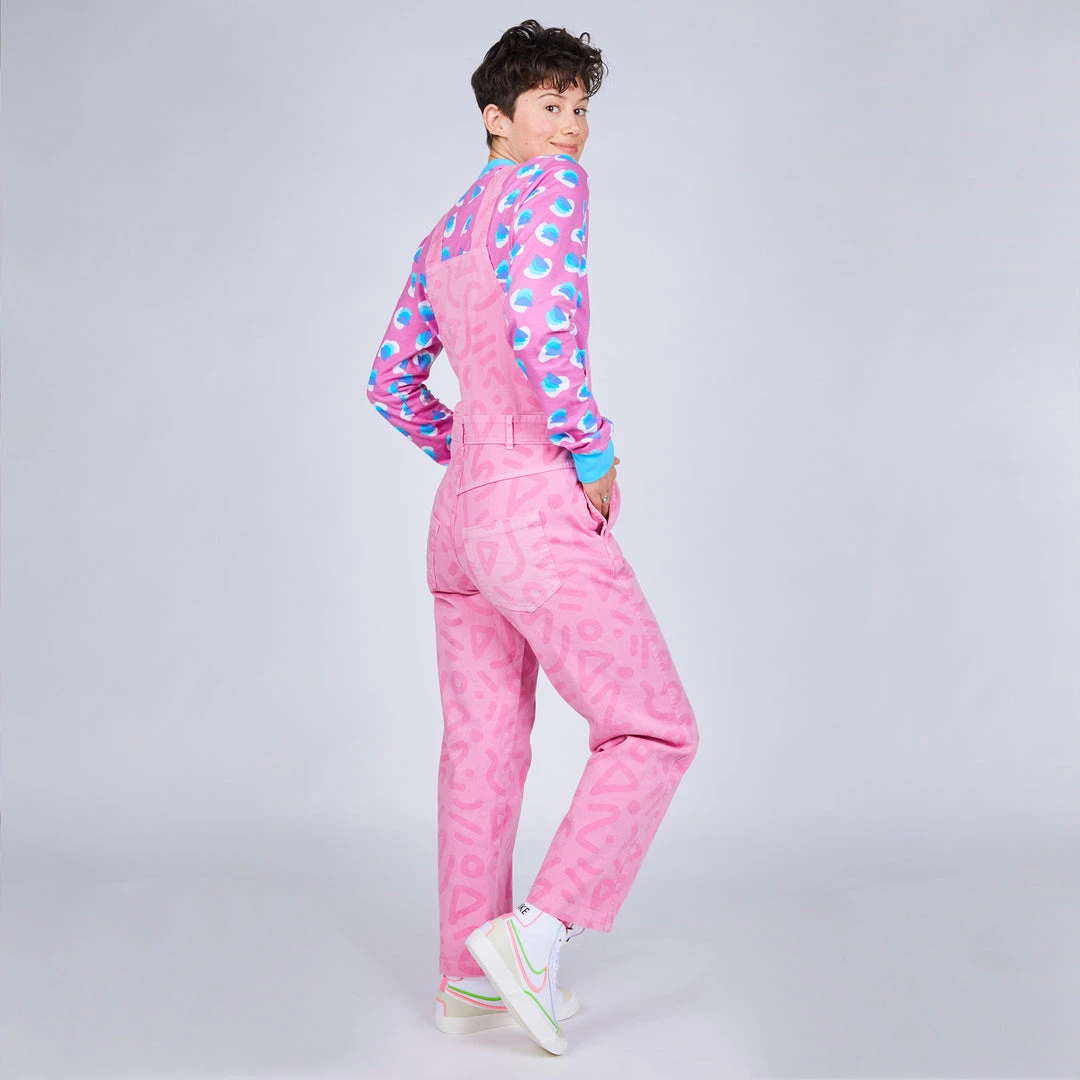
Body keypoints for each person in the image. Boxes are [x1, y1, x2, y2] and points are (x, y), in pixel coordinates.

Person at [367, 19, 699, 1056]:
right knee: (653, 728)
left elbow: (390, 380)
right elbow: (547, 331)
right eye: (550, 105)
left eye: (581, 108)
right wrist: (588, 452)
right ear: (495, 119)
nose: (571, 128)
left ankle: (466, 980)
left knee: (481, 747)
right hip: (531, 504)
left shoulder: (443, 234)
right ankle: (537, 934)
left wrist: (469, 450)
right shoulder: (552, 191)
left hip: (460, 521)